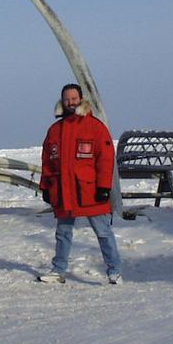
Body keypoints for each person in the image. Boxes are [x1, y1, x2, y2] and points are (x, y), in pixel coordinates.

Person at [38, 83, 122, 284]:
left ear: (81, 99)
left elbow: (106, 158)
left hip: (90, 191)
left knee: (103, 232)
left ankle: (114, 271)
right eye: (67, 99)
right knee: (63, 232)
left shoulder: (95, 127)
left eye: (74, 99)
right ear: (62, 101)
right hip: (64, 192)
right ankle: (58, 271)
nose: (70, 102)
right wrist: (45, 187)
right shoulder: (54, 130)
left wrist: (104, 187)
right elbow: (47, 161)